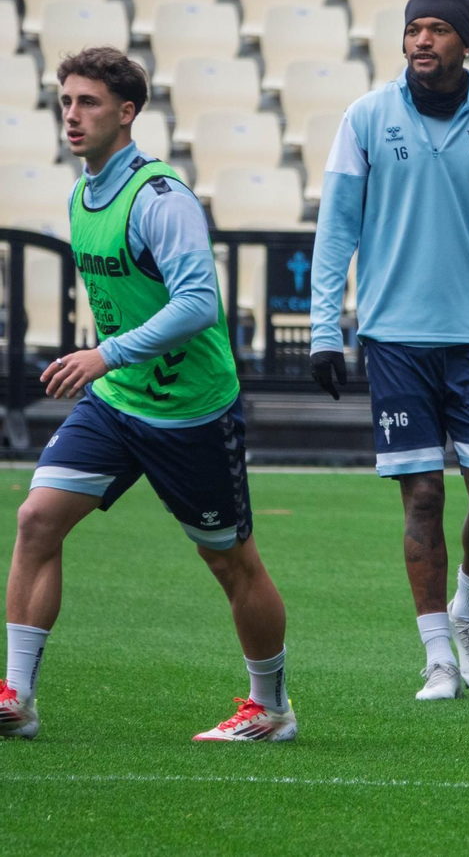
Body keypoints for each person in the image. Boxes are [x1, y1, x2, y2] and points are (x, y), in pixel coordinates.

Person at [1, 48, 294, 742]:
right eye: (65, 101)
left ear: (127, 113)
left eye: (89, 103)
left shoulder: (162, 199)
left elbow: (199, 304)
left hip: (189, 411)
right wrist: (111, 365)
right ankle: (17, 699)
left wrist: (105, 354)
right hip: (116, 402)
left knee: (231, 562)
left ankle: (272, 708)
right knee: (37, 519)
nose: (71, 115)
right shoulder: (81, 194)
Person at [308, 0, 469, 701]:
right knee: (422, 497)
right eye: (413, 28)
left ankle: (468, 614)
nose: (422, 41)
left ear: (466, 43)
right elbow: (336, 232)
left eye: (438, 30)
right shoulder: (364, 117)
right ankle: (438, 658)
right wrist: (328, 329)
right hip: (394, 341)